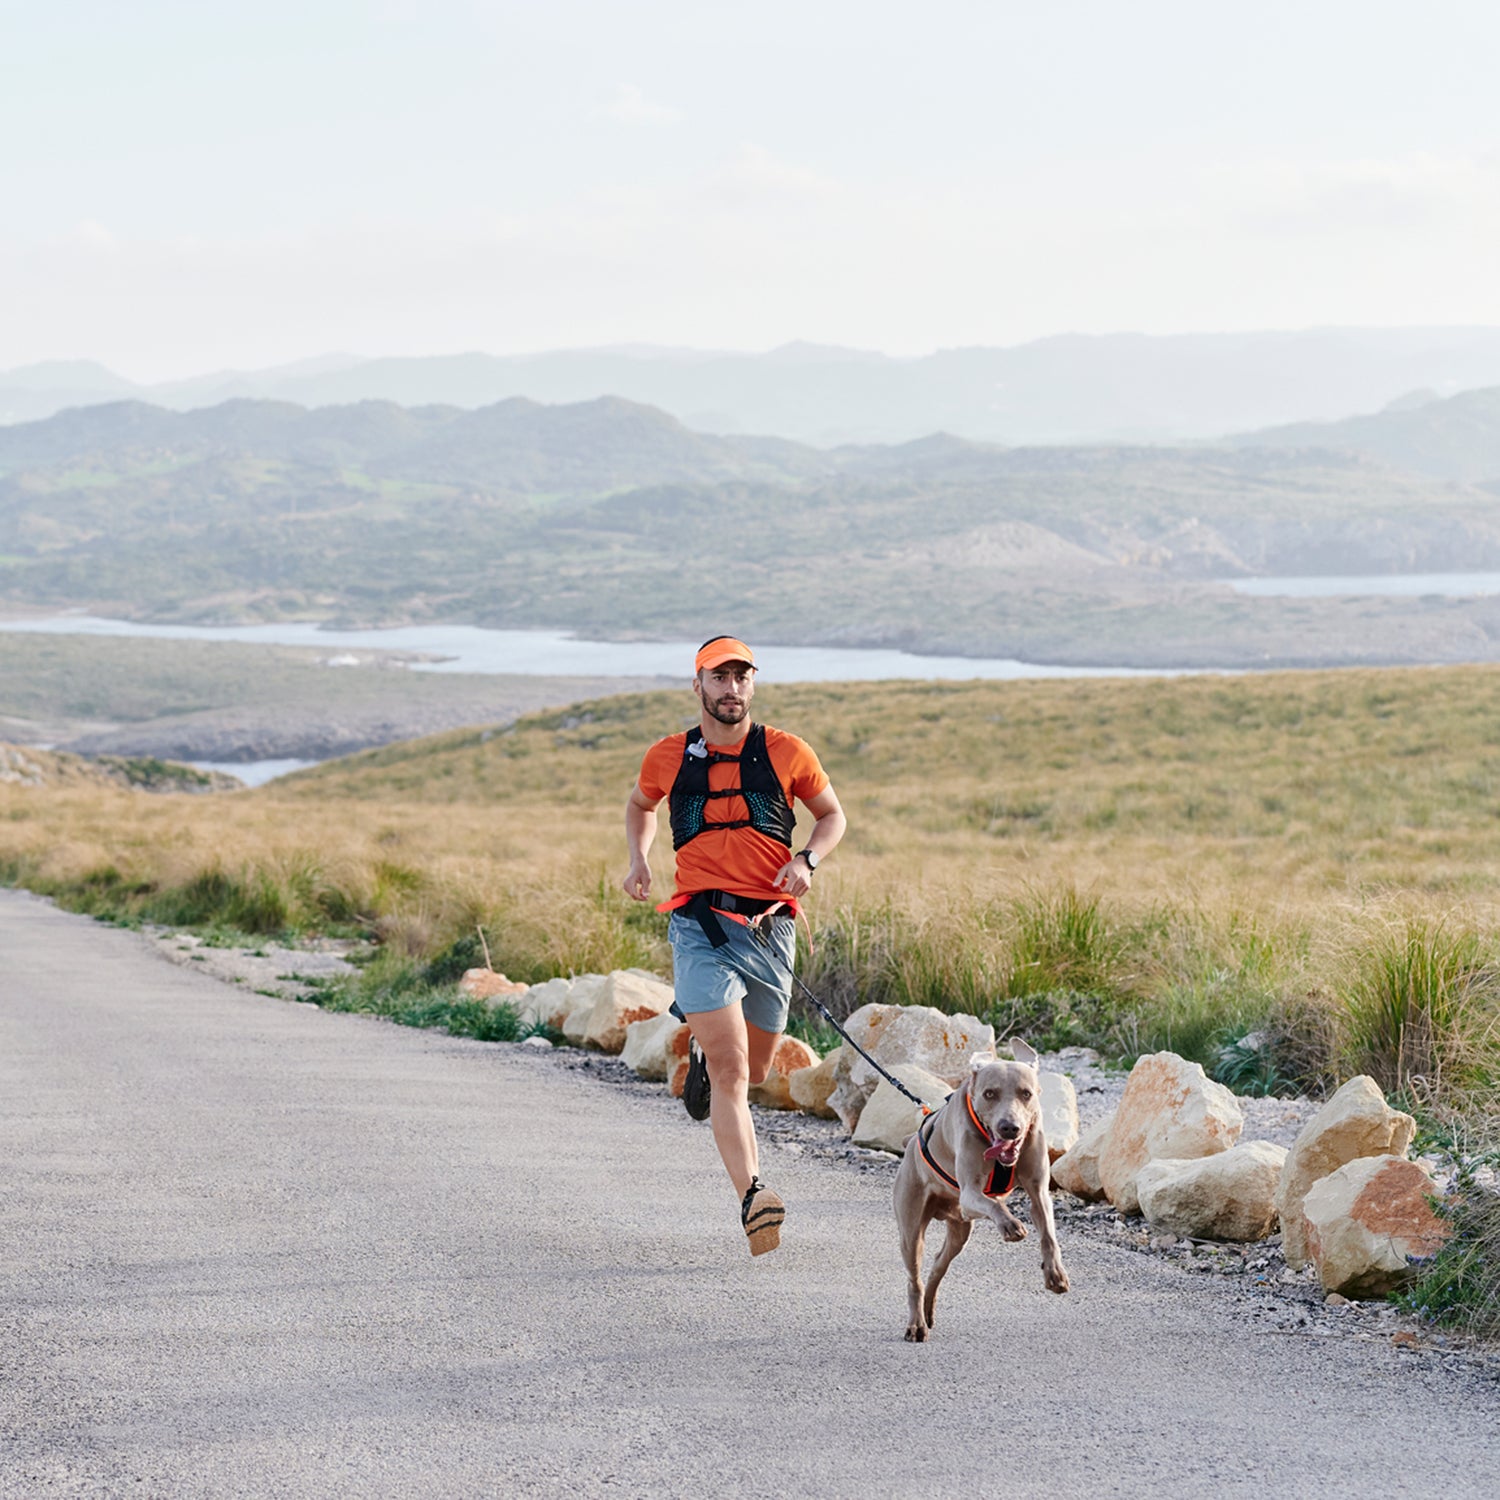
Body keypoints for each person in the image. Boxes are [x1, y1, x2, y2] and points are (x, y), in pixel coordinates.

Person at [623, 635, 846, 1256]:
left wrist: (808, 859)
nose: (731, 689)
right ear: (697, 685)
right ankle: (753, 1195)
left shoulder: (786, 751)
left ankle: (699, 1048)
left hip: (769, 928)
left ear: (752, 683)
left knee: (755, 1069)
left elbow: (833, 817)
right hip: (699, 925)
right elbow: (641, 804)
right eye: (719, 677)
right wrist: (639, 859)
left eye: (741, 677)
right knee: (731, 1070)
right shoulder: (667, 756)